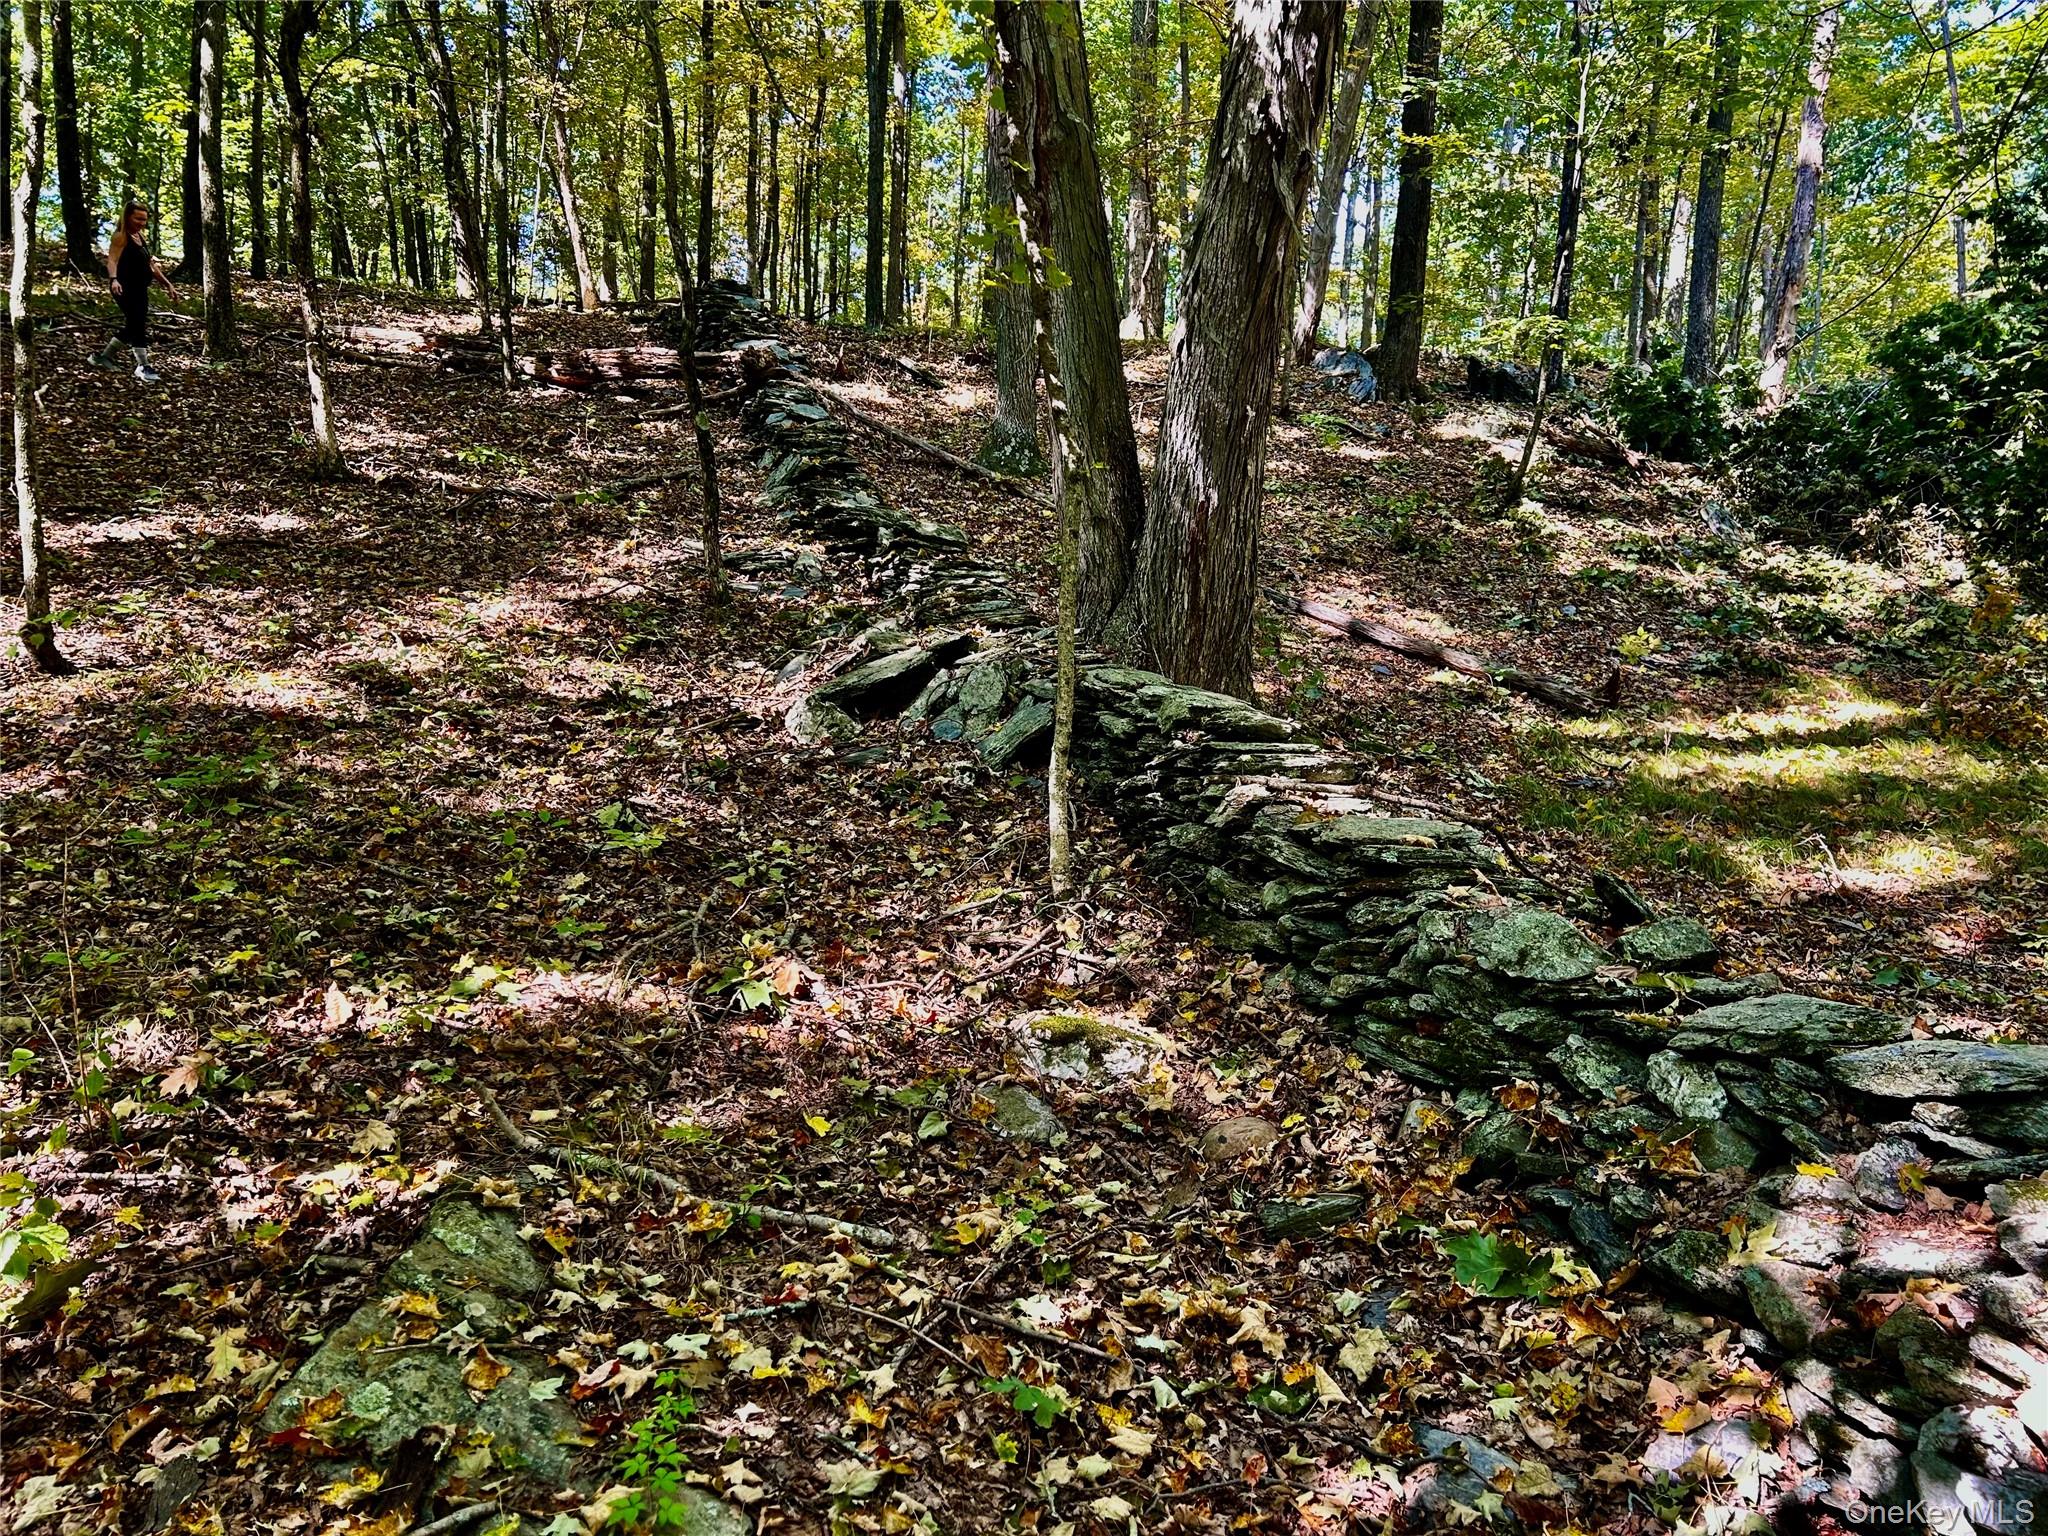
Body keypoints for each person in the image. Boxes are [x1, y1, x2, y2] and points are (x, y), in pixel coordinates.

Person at [89, 204, 178, 385]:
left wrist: (167, 284)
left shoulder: (140, 237)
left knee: (135, 324)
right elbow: (112, 260)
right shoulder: (120, 236)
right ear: (128, 217)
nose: (142, 223)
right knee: (137, 323)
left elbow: (150, 265)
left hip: (140, 288)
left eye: (144, 219)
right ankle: (143, 365)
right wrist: (114, 279)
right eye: (138, 219)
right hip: (123, 287)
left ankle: (104, 357)